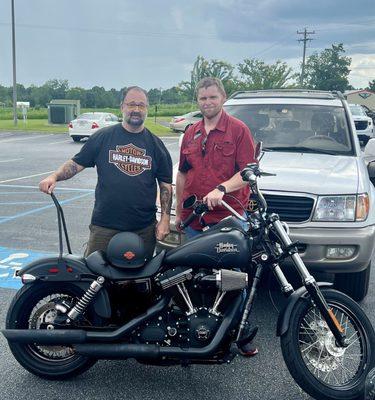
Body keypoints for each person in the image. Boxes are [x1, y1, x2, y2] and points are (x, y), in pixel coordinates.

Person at [39, 86, 173, 259]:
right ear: (122, 107)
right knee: (93, 276)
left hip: (143, 228)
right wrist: (54, 176)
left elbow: (165, 185)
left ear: (147, 108)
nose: (136, 110)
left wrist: (164, 220)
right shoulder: (103, 137)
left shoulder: (156, 145)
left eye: (141, 105)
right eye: (131, 104)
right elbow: (76, 164)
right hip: (105, 226)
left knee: (140, 280)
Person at [175, 77, 256, 238]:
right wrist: (179, 211)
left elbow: (248, 172)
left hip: (228, 219)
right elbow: (182, 173)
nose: (207, 102)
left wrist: (222, 189)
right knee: (194, 263)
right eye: (203, 98)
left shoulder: (239, 130)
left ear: (223, 97)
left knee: (229, 264)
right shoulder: (191, 133)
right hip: (194, 219)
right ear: (198, 100)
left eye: (213, 97)